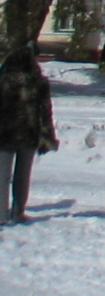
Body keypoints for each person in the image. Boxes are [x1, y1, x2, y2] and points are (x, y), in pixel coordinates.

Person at [0, 44, 58, 224]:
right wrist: (48, 135)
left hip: (3, 134)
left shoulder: (2, 80)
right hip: (29, 133)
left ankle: (1, 215)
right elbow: (45, 112)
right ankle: (18, 212)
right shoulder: (38, 82)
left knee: (2, 177)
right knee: (23, 175)